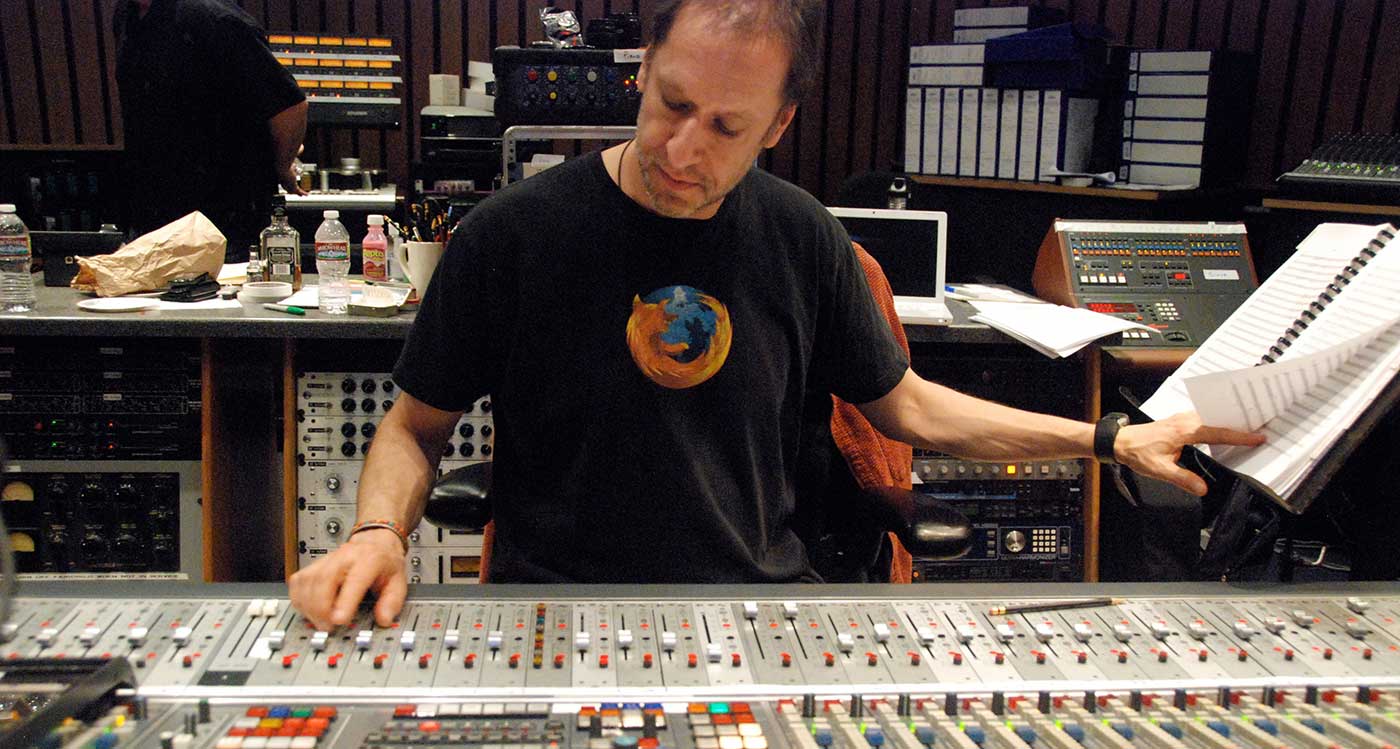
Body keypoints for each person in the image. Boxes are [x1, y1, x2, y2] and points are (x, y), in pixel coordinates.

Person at [289, 0, 1265, 630]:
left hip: (758, 605)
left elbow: (910, 409)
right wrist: (378, 528)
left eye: (725, 127)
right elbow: (413, 427)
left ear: (781, 122)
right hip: (553, 610)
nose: (681, 147)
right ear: (641, 73)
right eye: (669, 103)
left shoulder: (802, 238)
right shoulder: (511, 235)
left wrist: (1108, 436)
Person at [114, 0, 308, 257]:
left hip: (223, 218)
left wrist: (281, 167)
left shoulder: (215, 19)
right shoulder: (126, 15)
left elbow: (289, 105)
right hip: (156, 215)